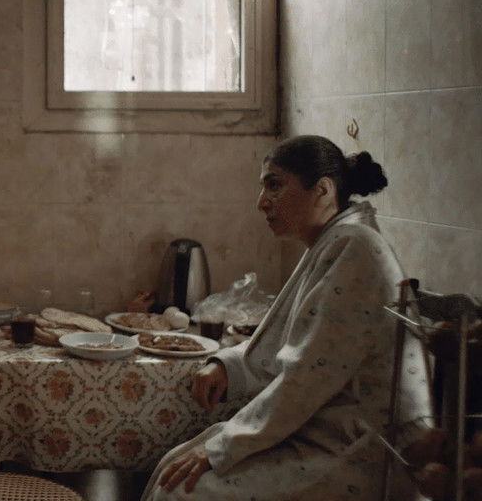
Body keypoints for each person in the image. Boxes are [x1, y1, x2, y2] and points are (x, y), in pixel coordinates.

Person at [141, 135, 431, 501]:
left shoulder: (354, 247)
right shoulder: (334, 240)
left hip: (361, 451)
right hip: (325, 433)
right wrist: (229, 366)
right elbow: (295, 342)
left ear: (322, 190)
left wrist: (219, 449)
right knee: (174, 464)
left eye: (274, 185)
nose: (261, 202)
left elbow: (307, 378)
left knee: (182, 489)